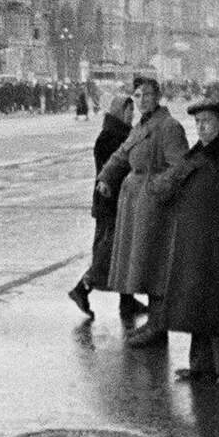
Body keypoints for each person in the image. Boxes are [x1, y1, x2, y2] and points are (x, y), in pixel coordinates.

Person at [149, 98, 219, 385]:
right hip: (198, 249)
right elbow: (167, 189)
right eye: (197, 123)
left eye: (207, 122)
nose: (201, 128)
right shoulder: (196, 155)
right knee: (199, 310)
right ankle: (201, 366)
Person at [98, 77, 190, 345]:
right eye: (137, 96)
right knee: (145, 266)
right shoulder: (142, 125)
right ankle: (153, 323)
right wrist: (106, 177)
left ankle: (158, 326)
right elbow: (121, 154)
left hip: (157, 208)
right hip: (138, 207)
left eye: (147, 95)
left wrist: (155, 187)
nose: (141, 100)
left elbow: (180, 166)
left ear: (158, 96)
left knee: (156, 267)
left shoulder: (168, 126)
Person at [70, 95, 144, 323]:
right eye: (128, 111)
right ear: (118, 112)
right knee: (108, 251)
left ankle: (127, 300)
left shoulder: (123, 135)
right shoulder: (110, 138)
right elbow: (111, 172)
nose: (132, 115)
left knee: (124, 251)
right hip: (109, 205)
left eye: (132, 111)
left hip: (121, 202)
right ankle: (82, 287)